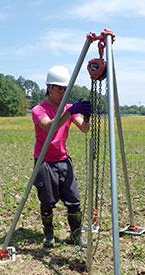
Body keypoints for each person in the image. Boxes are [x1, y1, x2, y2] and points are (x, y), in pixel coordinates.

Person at [32, 65, 92, 248]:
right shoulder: (38, 109)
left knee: (74, 200)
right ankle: (49, 233)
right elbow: (50, 126)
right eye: (60, 88)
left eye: (66, 89)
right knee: (47, 201)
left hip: (63, 160)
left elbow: (84, 128)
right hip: (44, 161)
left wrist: (87, 116)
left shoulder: (68, 108)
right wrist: (70, 111)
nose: (63, 92)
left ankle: (75, 235)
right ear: (49, 87)